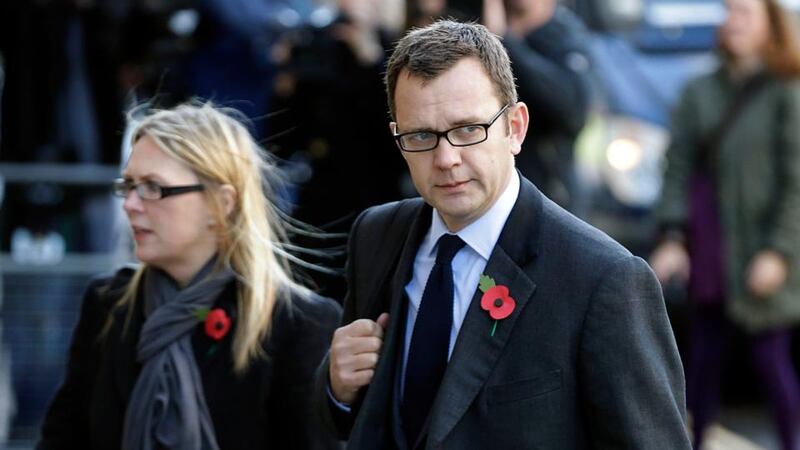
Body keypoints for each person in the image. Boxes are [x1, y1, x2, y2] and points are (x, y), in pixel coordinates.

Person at [314, 20, 690, 448]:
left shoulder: (602, 280)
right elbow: (357, 425)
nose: (446, 158)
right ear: (399, 141)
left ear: (515, 128)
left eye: (468, 130)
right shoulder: (376, 236)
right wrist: (336, 391)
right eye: (421, 135)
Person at [36, 102, 342, 449]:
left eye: (154, 188)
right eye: (129, 185)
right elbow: (62, 438)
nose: (130, 204)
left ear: (221, 204)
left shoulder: (296, 322)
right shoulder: (108, 303)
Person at [650, 0, 800, 448]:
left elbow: (797, 183)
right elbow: (677, 168)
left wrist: (778, 252)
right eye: (728, 11)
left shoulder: (786, 91)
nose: (731, 22)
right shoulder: (700, 90)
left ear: (770, 25)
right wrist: (673, 237)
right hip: (711, 249)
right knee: (700, 369)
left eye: (743, 13)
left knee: (771, 365)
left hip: (759, 248)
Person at [483, 0, 593, 214]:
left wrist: (506, 44)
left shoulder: (565, 36)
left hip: (550, 193)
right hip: (494, 193)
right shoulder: (481, 28)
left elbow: (571, 112)